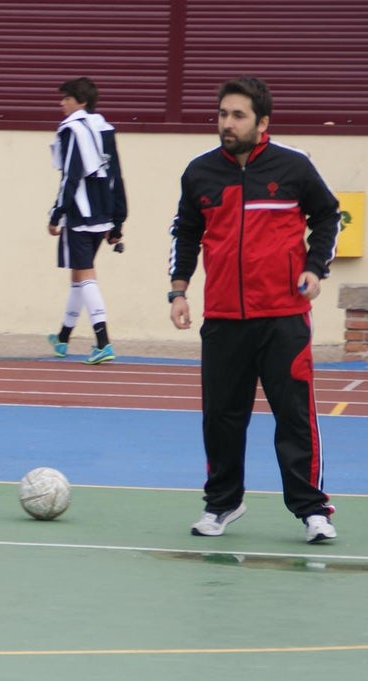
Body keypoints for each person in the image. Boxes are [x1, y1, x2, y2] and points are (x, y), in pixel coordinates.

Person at [169, 76, 341, 544]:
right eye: (223, 114)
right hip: (224, 319)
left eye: (238, 115)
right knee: (221, 418)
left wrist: (315, 268)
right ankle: (222, 503)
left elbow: (328, 215)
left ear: (262, 122)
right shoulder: (200, 172)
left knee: (294, 416)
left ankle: (312, 510)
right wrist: (178, 290)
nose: (227, 123)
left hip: (284, 317)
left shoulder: (294, 166)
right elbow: (185, 232)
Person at [46, 77, 126, 365]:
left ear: (81, 101)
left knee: (86, 275)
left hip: (79, 215)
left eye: (67, 98)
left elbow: (71, 176)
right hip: (103, 214)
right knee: (79, 276)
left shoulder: (72, 130)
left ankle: (103, 341)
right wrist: (118, 221)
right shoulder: (105, 128)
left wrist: (56, 213)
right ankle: (63, 337)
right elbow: (116, 175)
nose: (62, 103)